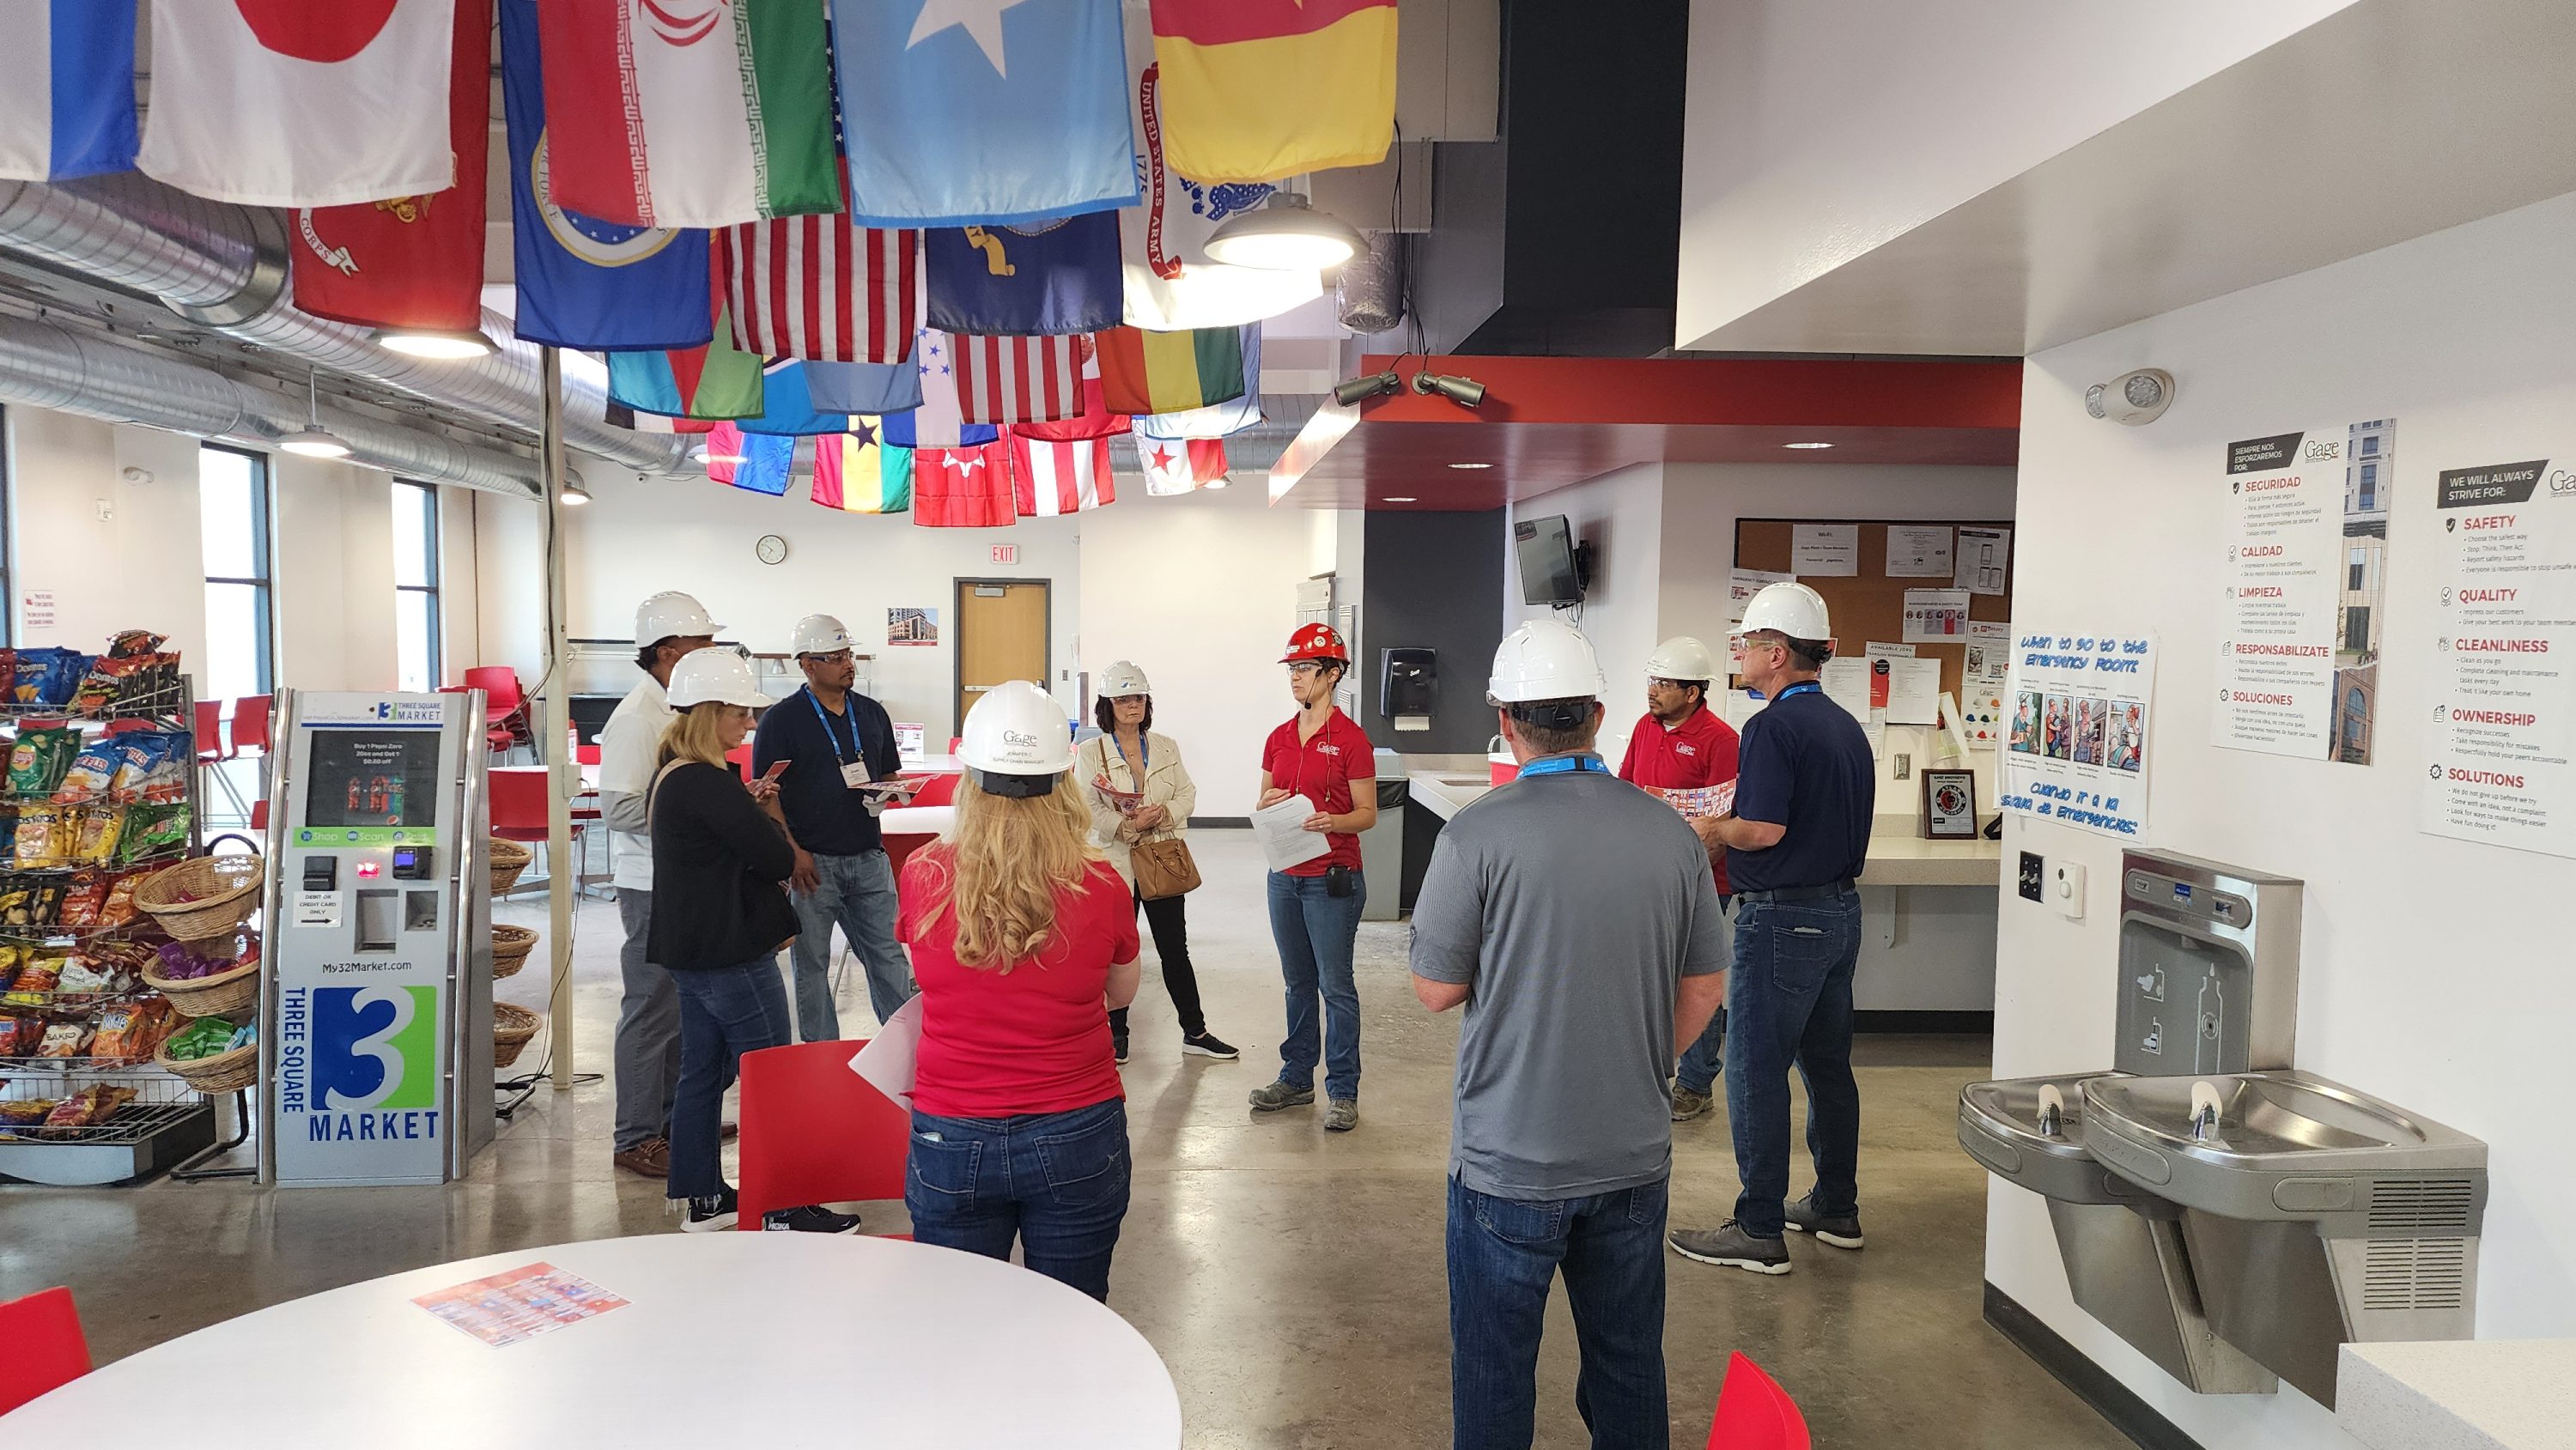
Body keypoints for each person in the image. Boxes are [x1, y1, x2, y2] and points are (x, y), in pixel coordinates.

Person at [1411, 619, 1728, 1450]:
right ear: (1597, 711)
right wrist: (1643, 1058)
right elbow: (1705, 983)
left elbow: (1436, 989)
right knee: (1628, 1364)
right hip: (1631, 1154)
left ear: (1507, 722)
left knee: (1494, 1369)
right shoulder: (1670, 835)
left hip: (1506, 1163)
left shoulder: (1474, 835)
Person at [899, 681, 1142, 1301]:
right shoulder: (1102, 883)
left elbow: (922, 976)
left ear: (968, 777)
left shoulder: (923, 874)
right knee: (1072, 1318)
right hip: (1076, 1127)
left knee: (958, 1326)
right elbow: (1119, 994)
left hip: (951, 1132)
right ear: (1064, 780)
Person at [1668, 582, 1875, 1275]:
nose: (1743, 654)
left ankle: (1759, 1226)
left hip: (1782, 918)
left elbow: (1762, 829)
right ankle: (1836, 1206)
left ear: (1778, 653)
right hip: (1840, 913)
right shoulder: (1846, 726)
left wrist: (1711, 828)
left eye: (1750, 644)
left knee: (1755, 1069)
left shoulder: (1770, 728)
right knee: (1826, 1066)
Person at [646, 649, 858, 1235]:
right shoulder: (709, 783)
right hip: (732, 953)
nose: (748, 724)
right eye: (739, 713)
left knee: (702, 1071)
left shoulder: (672, 775)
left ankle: (705, 1196)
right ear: (709, 713)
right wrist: (765, 811)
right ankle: (784, 1204)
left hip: (693, 951)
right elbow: (773, 857)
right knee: (773, 1075)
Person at [598, 590, 720, 1180]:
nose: (712, 653)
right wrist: (693, 812)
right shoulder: (635, 718)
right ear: (668, 651)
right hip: (650, 885)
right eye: (703, 644)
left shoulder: (675, 710)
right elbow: (617, 808)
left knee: (679, 1007)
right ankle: (635, 1134)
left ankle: (673, 1118)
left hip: (682, 881)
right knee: (649, 1006)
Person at [750, 613, 914, 1042]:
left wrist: (897, 791)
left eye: (849, 654)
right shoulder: (781, 721)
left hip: (869, 857)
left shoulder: (872, 713)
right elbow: (768, 794)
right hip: (812, 863)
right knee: (812, 966)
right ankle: (821, 1056)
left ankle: (904, 1049)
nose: (847, 663)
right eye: (835, 656)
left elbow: (888, 775)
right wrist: (793, 852)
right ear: (807, 664)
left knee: (889, 958)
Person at [1075, 660, 1236, 1065]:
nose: (1133, 705)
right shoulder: (1092, 751)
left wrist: (1160, 814)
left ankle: (1195, 1031)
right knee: (1118, 952)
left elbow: (1187, 793)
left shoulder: (1165, 745)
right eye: (1124, 699)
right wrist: (1123, 826)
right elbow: (1084, 805)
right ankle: (1117, 1034)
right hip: (1114, 863)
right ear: (1108, 705)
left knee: (1173, 948)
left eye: (1139, 698)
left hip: (1160, 858)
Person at [1249, 623, 1376, 1133]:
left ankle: (1343, 1091)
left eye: (1305, 669)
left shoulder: (1351, 740)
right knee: (1296, 982)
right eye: (1293, 669)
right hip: (1285, 875)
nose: (1296, 678)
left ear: (1332, 674)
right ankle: (1297, 1077)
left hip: (1332, 878)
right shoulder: (1279, 737)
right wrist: (1267, 803)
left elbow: (1367, 813)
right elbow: (1263, 796)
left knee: (1335, 985)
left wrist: (1335, 821)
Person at [1617, 635, 1741, 1124]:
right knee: (1653, 975)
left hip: (1703, 878)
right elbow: (1626, 788)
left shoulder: (1720, 739)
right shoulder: (1646, 728)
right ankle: (1657, 1070)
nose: (1653, 691)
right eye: (1652, 680)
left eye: (1664, 683)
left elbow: (1722, 818)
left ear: (1693, 692)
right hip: (1647, 871)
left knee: (1695, 977)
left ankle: (1695, 1082)